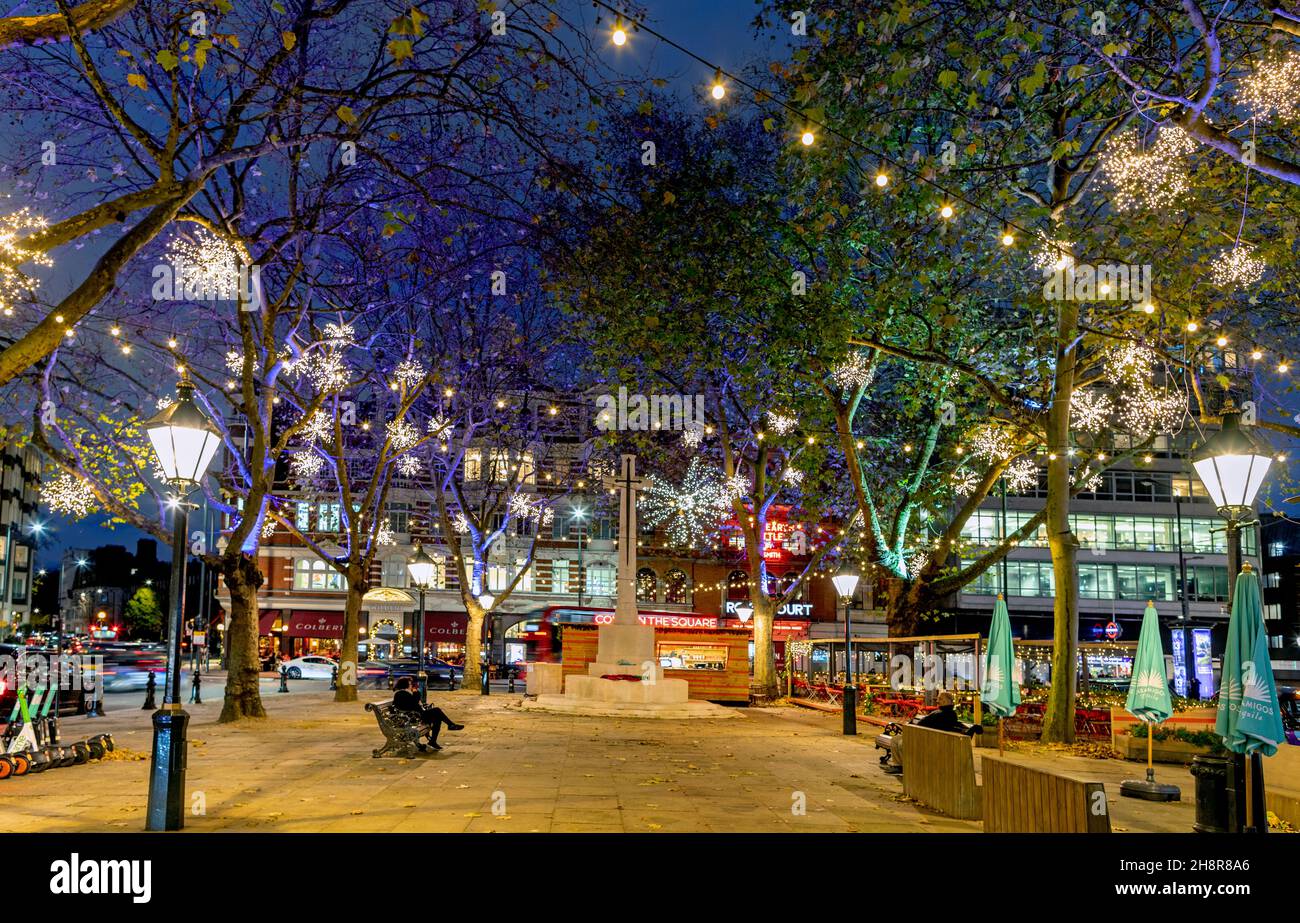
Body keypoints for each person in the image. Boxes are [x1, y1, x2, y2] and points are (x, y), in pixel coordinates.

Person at [392, 677, 464, 751]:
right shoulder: (401, 694)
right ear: (405, 685)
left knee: (437, 718)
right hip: (414, 717)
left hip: (416, 715)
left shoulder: (404, 693)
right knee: (437, 710)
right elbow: (414, 703)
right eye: (410, 684)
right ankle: (450, 725)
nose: (411, 686)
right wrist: (416, 692)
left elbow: (413, 703)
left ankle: (433, 741)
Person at [914, 692, 981, 737]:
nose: (937, 701)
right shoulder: (946, 714)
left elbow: (949, 726)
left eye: (940, 699)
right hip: (929, 738)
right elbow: (950, 727)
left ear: (948, 701)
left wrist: (969, 728)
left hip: (922, 735)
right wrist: (971, 728)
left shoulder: (941, 713)